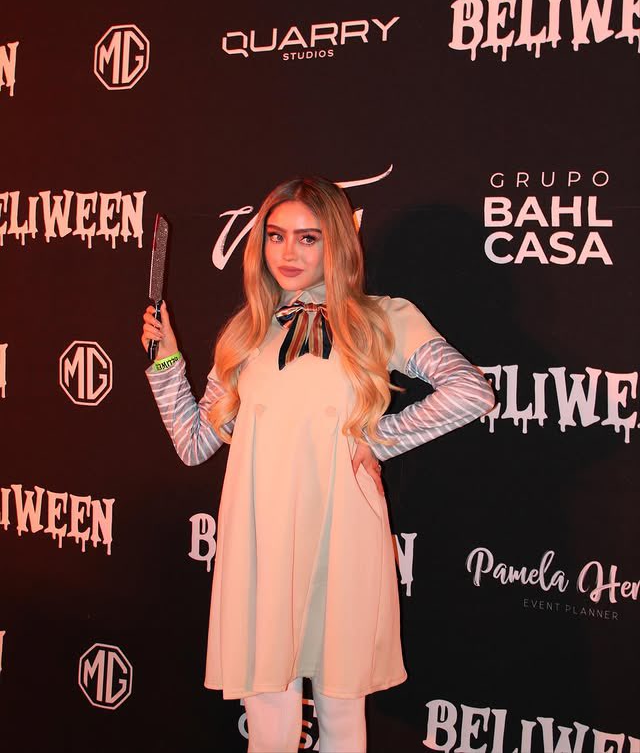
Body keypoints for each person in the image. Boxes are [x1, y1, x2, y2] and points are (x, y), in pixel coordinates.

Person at [140, 176, 494, 753]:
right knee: (269, 727)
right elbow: (193, 443)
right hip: (259, 541)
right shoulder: (248, 333)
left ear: (338, 243)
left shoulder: (383, 318)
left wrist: (378, 440)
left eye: (309, 237)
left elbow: (470, 391)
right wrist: (165, 361)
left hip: (343, 534)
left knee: (342, 716)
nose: (288, 252)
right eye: (276, 235)